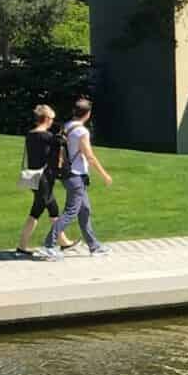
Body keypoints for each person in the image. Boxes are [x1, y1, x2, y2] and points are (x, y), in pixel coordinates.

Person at [40, 97, 113, 260]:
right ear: (87, 114)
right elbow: (90, 156)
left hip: (68, 175)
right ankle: (48, 245)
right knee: (71, 212)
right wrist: (104, 175)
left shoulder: (66, 126)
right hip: (76, 176)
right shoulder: (82, 131)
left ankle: (94, 246)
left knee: (85, 210)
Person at [16, 104, 76, 258]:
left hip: (35, 176)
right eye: (52, 119)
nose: (53, 122)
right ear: (47, 119)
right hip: (44, 178)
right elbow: (62, 144)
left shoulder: (31, 135)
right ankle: (23, 246)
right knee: (36, 211)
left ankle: (63, 241)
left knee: (53, 209)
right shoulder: (47, 137)